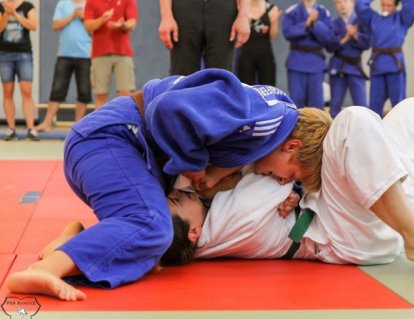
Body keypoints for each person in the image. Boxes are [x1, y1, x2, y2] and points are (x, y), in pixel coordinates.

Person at [5, 68, 331, 301]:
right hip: (114, 139)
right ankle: (46, 270)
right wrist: (196, 166)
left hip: (121, 153)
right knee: (150, 226)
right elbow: (168, 108)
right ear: (292, 147)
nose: (284, 181)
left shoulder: (270, 124)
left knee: (161, 247)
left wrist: (298, 193)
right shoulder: (264, 117)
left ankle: (71, 244)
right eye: (294, 176)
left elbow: (246, 163)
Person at [162, 98, 414, 278]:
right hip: (349, 236)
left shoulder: (210, 208)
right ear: (193, 233)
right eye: (175, 200)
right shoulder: (220, 227)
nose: (178, 191)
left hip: (381, 209)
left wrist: (295, 187)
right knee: (352, 121)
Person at [36, 0, 91, 133]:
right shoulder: (63, 3)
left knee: (83, 91)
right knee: (57, 89)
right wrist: (73, 15)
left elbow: (95, 27)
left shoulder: (90, 3)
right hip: (64, 54)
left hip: (85, 54)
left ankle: (78, 126)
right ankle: (47, 123)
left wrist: (84, 17)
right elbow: (56, 25)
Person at [356, 0, 414, 118]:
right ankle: (375, 133)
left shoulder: (402, 19)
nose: (385, 8)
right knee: (375, 104)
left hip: (395, 65)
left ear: (396, 5)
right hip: (378, 65)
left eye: (389, 5)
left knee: (399, 104)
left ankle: (401, 132)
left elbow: (412, 6)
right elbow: (360, 6)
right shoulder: (373, 18)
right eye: (383, 5)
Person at [158, 0, 251, 75]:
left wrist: (244, 16)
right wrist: (166, 16)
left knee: (220, 75)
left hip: (223, 9)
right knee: (182, 76)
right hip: (184, 8)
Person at [83, 0, 138, 109]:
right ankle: (101, 125)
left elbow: (132, 23)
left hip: (123, 52)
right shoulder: (91, 2)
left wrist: (122, 25)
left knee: (126, 94)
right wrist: (102, 19)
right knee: (100, 94)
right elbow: (88, 26)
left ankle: (125, 125)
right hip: (100, 53)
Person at [0, 0, 38, 140]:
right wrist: (6, 13)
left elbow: (33, 26)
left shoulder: (28, 6)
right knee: (7, 91)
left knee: (26, 90)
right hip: (5, 54)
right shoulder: (1, 6)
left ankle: (31, 129)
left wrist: (15, 13)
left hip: (24, 54)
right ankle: (11, 129)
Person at [325, 0, 369, 117]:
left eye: (345, 1)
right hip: (338, 66)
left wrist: (355, 35)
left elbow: (367, 44)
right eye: (338, 2)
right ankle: (334, 134)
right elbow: (329, 46)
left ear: (353, 2)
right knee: (335, 106)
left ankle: (363, 133)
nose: (342, 5)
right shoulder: (333, 23)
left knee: (362, 106)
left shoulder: (361, 22)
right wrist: (345, 37)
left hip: (355, 67)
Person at [237, 0, 281, 86]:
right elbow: (238, 35)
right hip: (246, 53)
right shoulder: (242, 8)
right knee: (246, 87)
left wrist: (274, 21)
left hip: (265, 54)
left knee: (269, 87)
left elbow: (274, 36)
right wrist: (246, 21)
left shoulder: (272, 8)